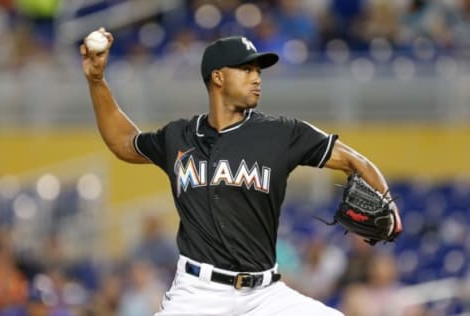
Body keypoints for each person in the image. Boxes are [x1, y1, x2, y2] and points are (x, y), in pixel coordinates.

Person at [80, 28, 403, 316]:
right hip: (197, 294)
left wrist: (387, 202)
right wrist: (96, 80)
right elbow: (124, 142)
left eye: (258, 70)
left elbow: (355, 161)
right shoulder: (178, 136)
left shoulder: (282, 133)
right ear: (218, 77)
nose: (257, 77)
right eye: (246, 69)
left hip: (265, 295)